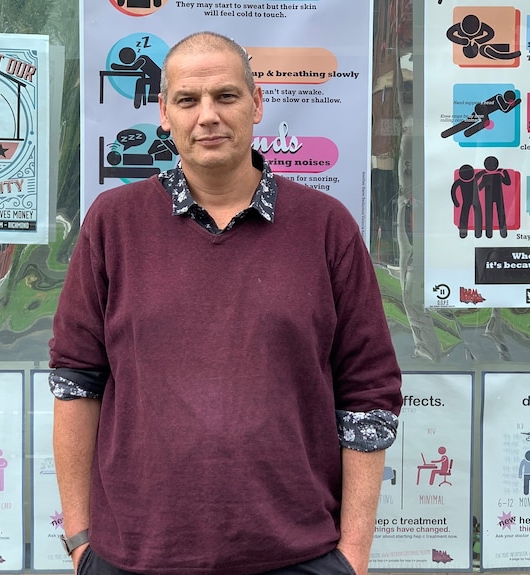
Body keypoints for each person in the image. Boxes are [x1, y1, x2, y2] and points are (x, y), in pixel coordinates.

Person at [49, 31, 402, 575]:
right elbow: (76, 380)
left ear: (257, 103)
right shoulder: (112, 224)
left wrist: (353, 554)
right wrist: (79, 537)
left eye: (226, 97)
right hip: (137, 557)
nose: (207, 116)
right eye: (188, 101)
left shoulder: (326, 227)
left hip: (297, 554)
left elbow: (369, 392)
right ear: (164, 113)